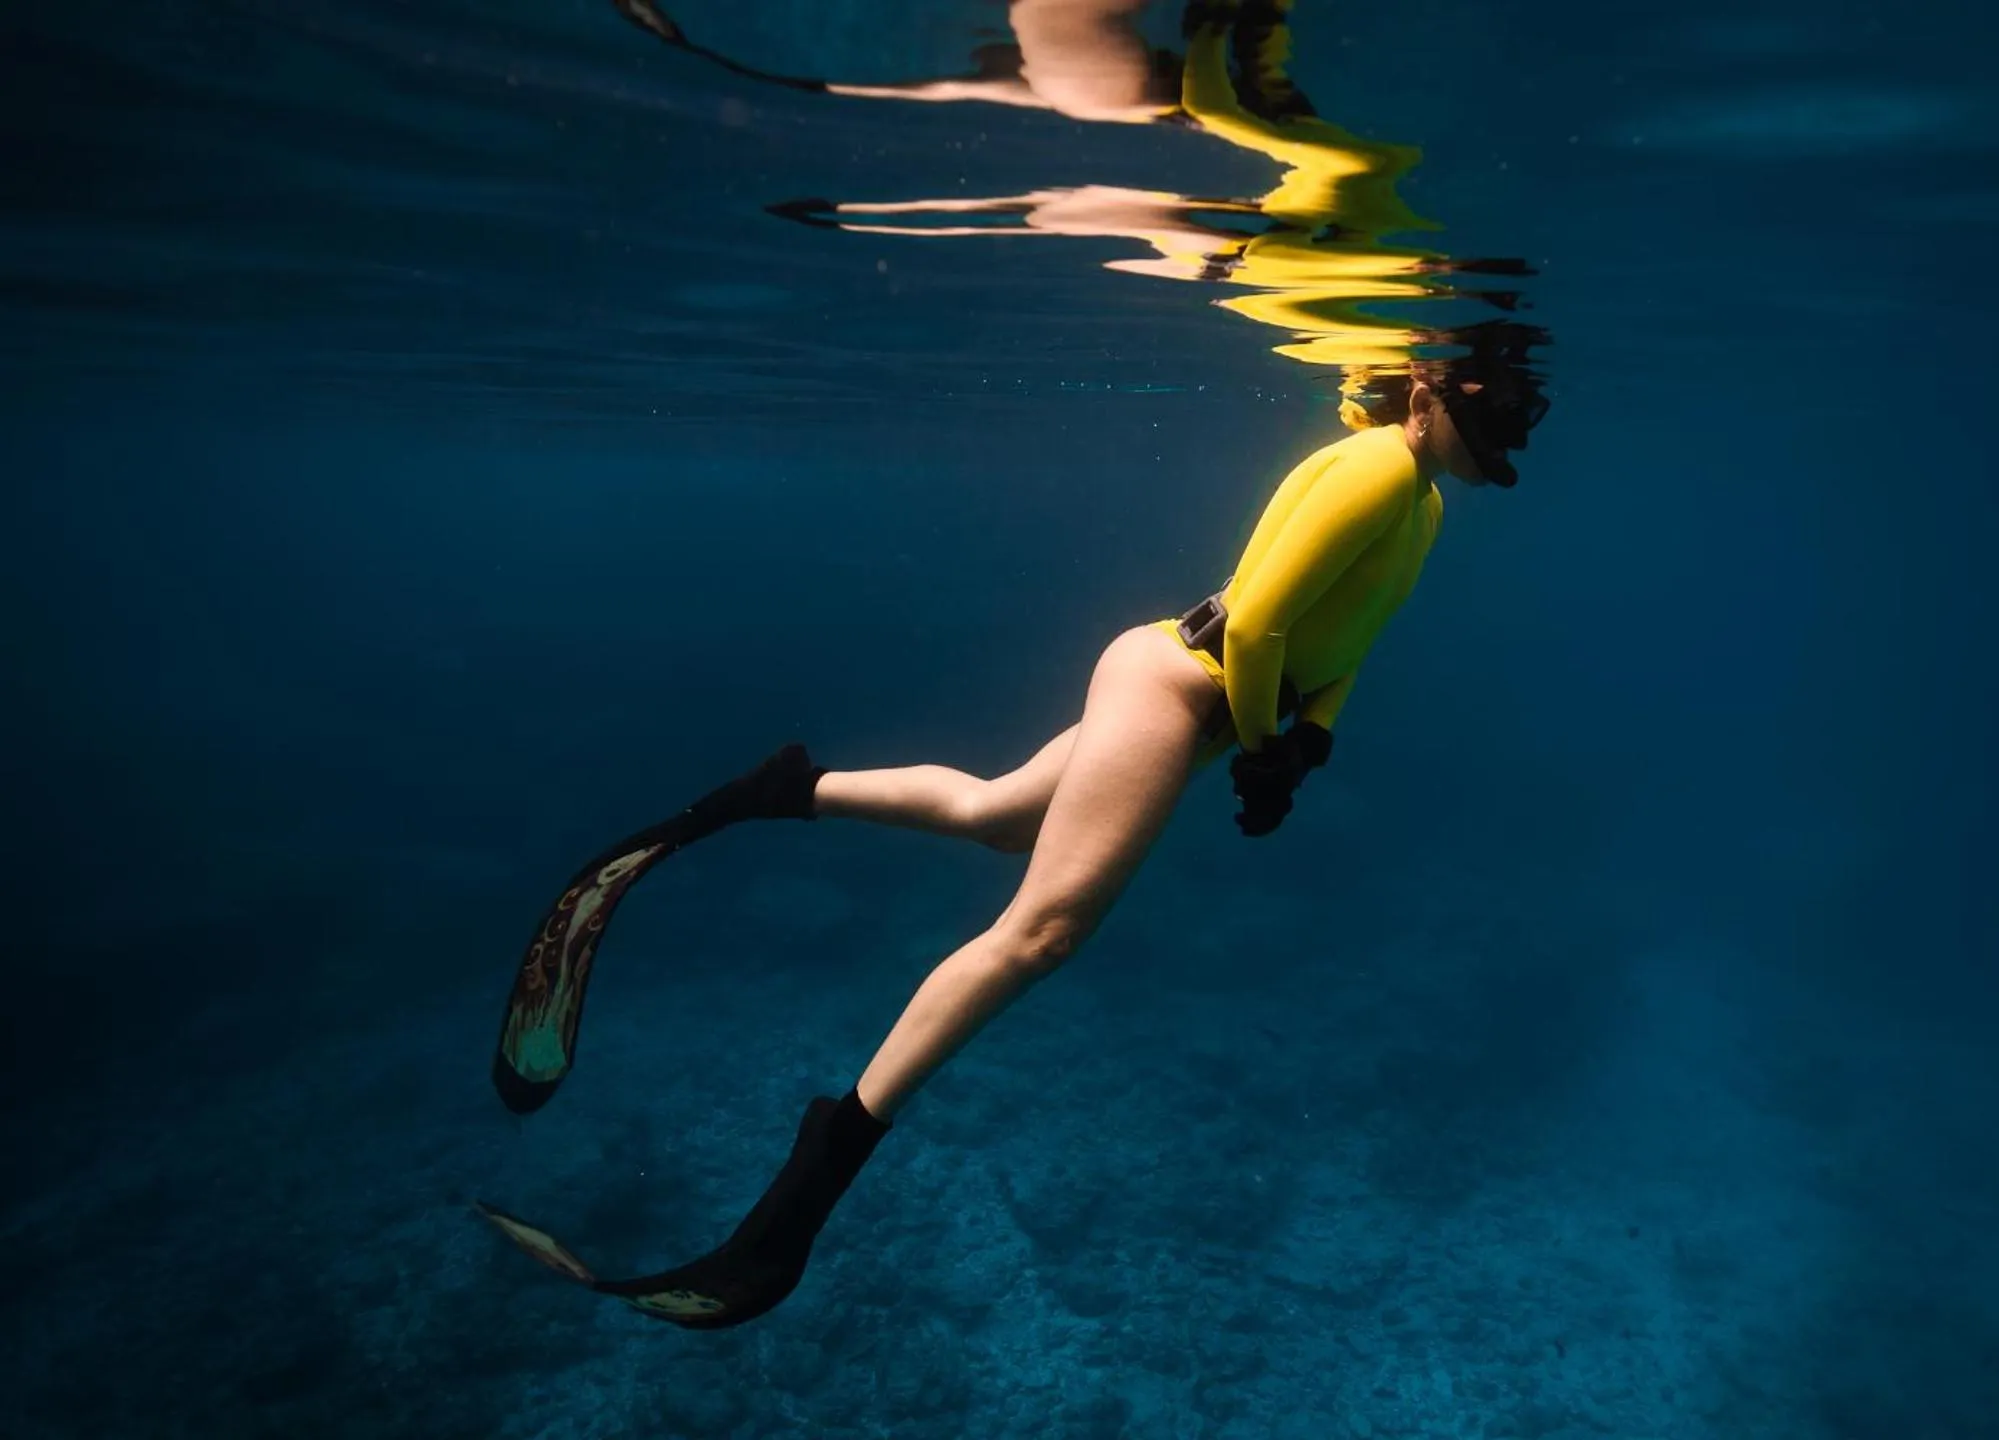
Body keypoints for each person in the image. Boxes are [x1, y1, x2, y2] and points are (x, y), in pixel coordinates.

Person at [480, 330, 1551, 1328]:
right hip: (1182, 691)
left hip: (1193, 694)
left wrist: (1309, 739)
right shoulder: (1375, 467)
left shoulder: (1424, 502)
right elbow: (1263, 620)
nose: (1492, 447)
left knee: (998, 817)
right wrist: (1270, 741)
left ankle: (774, 791)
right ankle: (814, 1175)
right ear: (1425, 393)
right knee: (1043, 933)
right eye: (1486, 421)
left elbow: (1351, 628)